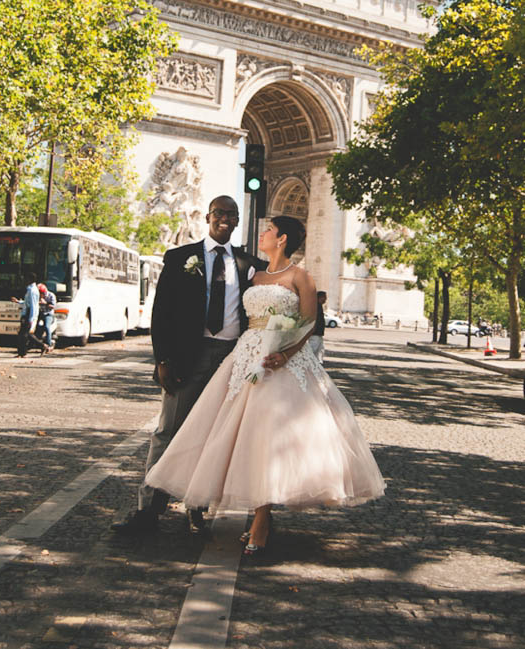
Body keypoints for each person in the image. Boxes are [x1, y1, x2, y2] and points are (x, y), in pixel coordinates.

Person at [146, 215, 385, 556]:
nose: (263, 234)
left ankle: (261, 519)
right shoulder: (252, 274)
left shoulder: (301, 276)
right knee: (241, 435)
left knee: (272, 436)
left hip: (282, 364)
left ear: (283, 239)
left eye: (269, 231)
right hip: (244, 358)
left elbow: (308, 324)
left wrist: (284, 354)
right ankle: (237, 512)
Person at [112, 194, 264, 537]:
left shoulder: (249, 264)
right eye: (218, 213)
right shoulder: (180, 257)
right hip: (186, 358)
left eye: (231, 214)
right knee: (167, 433)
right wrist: (162, 359)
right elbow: (161, 313)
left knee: (214, 435)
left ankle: (198, 507)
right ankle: (147, 511)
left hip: (232, 360)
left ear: (238, 220)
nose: (224, 219)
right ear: (207, 218)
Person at [12, 273, 47, 357]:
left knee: (25, 334)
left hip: (28, 314)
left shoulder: (32, 290)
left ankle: (41, 346)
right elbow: (27, 303)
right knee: (23, 334)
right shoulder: (30, 289)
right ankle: (22, 352)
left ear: (30, 279)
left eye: (26, 278)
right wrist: (18, 302)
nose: (25, 280)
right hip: (26, 313)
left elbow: (33, 305)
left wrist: (31, 319)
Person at [308, 290, 327, 363]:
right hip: (315, 332)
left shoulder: (318, 306)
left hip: (318, 332)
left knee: (320, 349)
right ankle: (309, 362)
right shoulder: (316, 306)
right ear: (320, 297)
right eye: (324, 298)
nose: (325, 300)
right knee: (313, 348)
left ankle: (317, 362)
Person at [38, 283, 56, 351]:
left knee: (47, 327)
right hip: (40, 313)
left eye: (41, 293)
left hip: (48, 314)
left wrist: (45, 303)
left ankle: (48, 344)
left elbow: (53, 306)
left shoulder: (51, 295)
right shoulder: (38, 296)